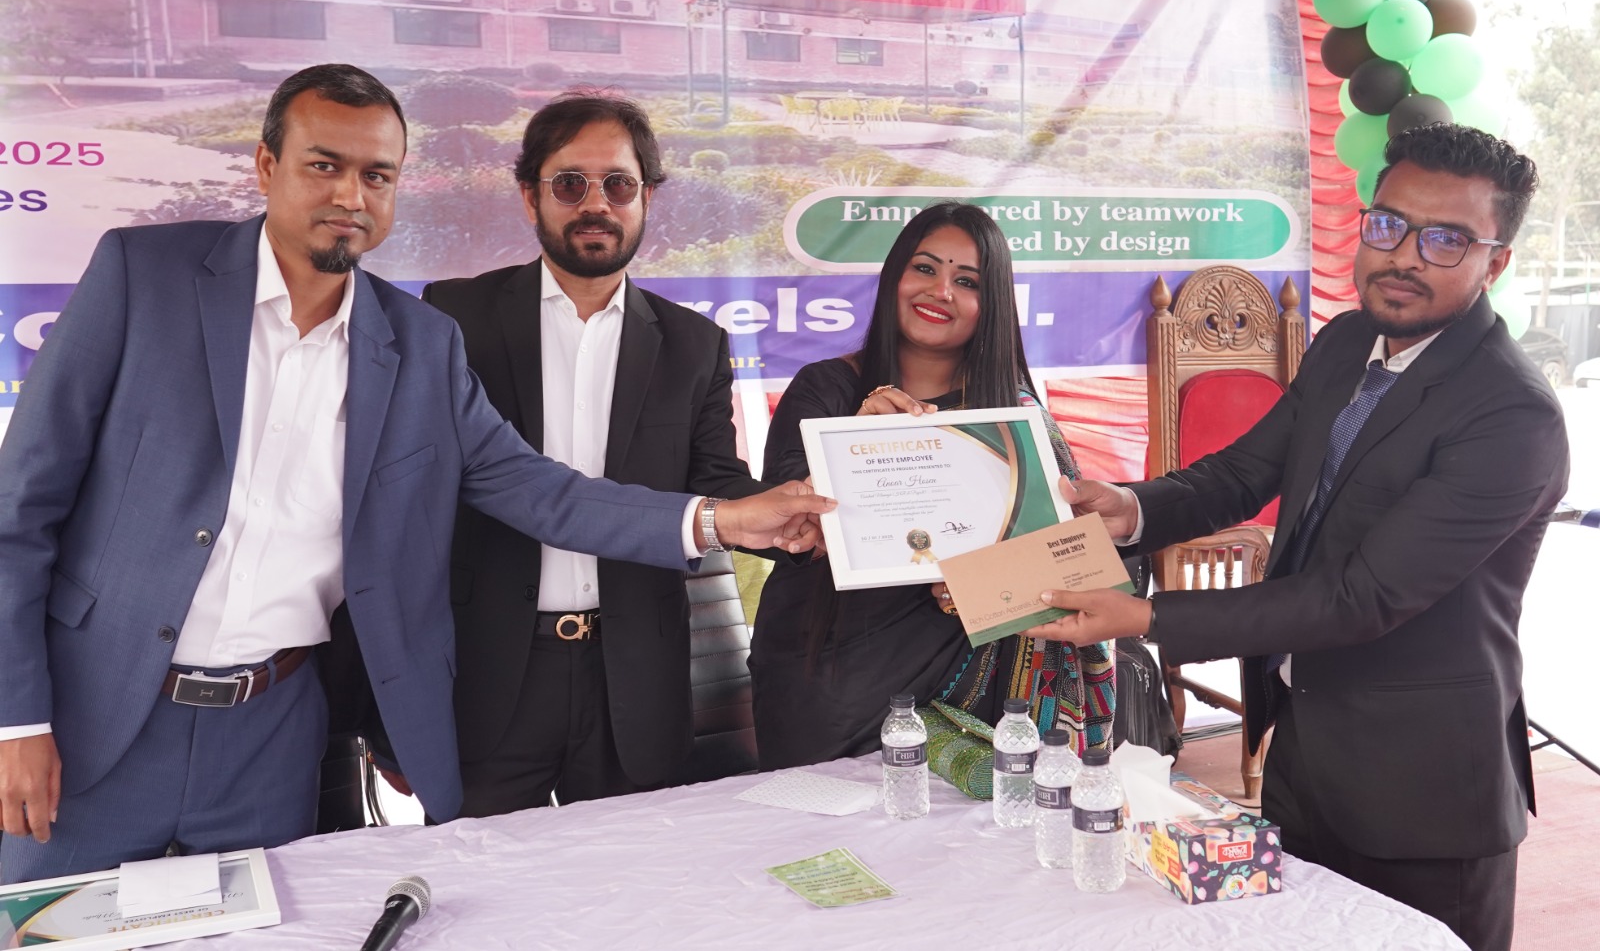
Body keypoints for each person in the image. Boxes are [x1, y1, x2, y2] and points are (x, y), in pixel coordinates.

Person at [0, 64, 830, 884]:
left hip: (271, 737)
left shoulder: (419, 344)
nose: (350, 195)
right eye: (324, 164)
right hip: (91, 720)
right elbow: (19, 514)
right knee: (53, 933)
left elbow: (536, 489)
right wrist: (16, 721)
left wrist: (724, 520)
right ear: (266, 165)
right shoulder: (144, 276)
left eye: (377, 175)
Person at [1028, 124, 1567, 951]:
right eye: (1388, 225)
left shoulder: (1511, 413)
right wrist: (1129, 508)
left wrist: (1147, 618)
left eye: (1446, 240)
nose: (1404, 256)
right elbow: (1244, 471)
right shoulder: (1346, 342)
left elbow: (1360, 597)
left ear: (1495, 263)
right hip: (1305, 751)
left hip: (1424, 794)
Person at [420, 91, 767, 814]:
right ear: (529, 195)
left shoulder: (695, 345)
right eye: (570, 184)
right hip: (488, 677)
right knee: (484, 878)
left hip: (635, 681)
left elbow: (721, 486)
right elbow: (404, 507)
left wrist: (808, 506)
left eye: (619, 184)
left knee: (629, 876)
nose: (596, 204)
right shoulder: (453, 319)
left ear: (648, 198)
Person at [749, 201, 1114, 770]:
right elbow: (789, 528)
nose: (940, 291)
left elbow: (1074, 561)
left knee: (978, 823)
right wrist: (858, 442)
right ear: (894, 277)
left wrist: (988, 588)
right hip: (832, 678)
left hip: (981, 684)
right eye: (924, 268)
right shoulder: (825, 389)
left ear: (991, 304)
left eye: (966, 281)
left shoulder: (1016, 419)